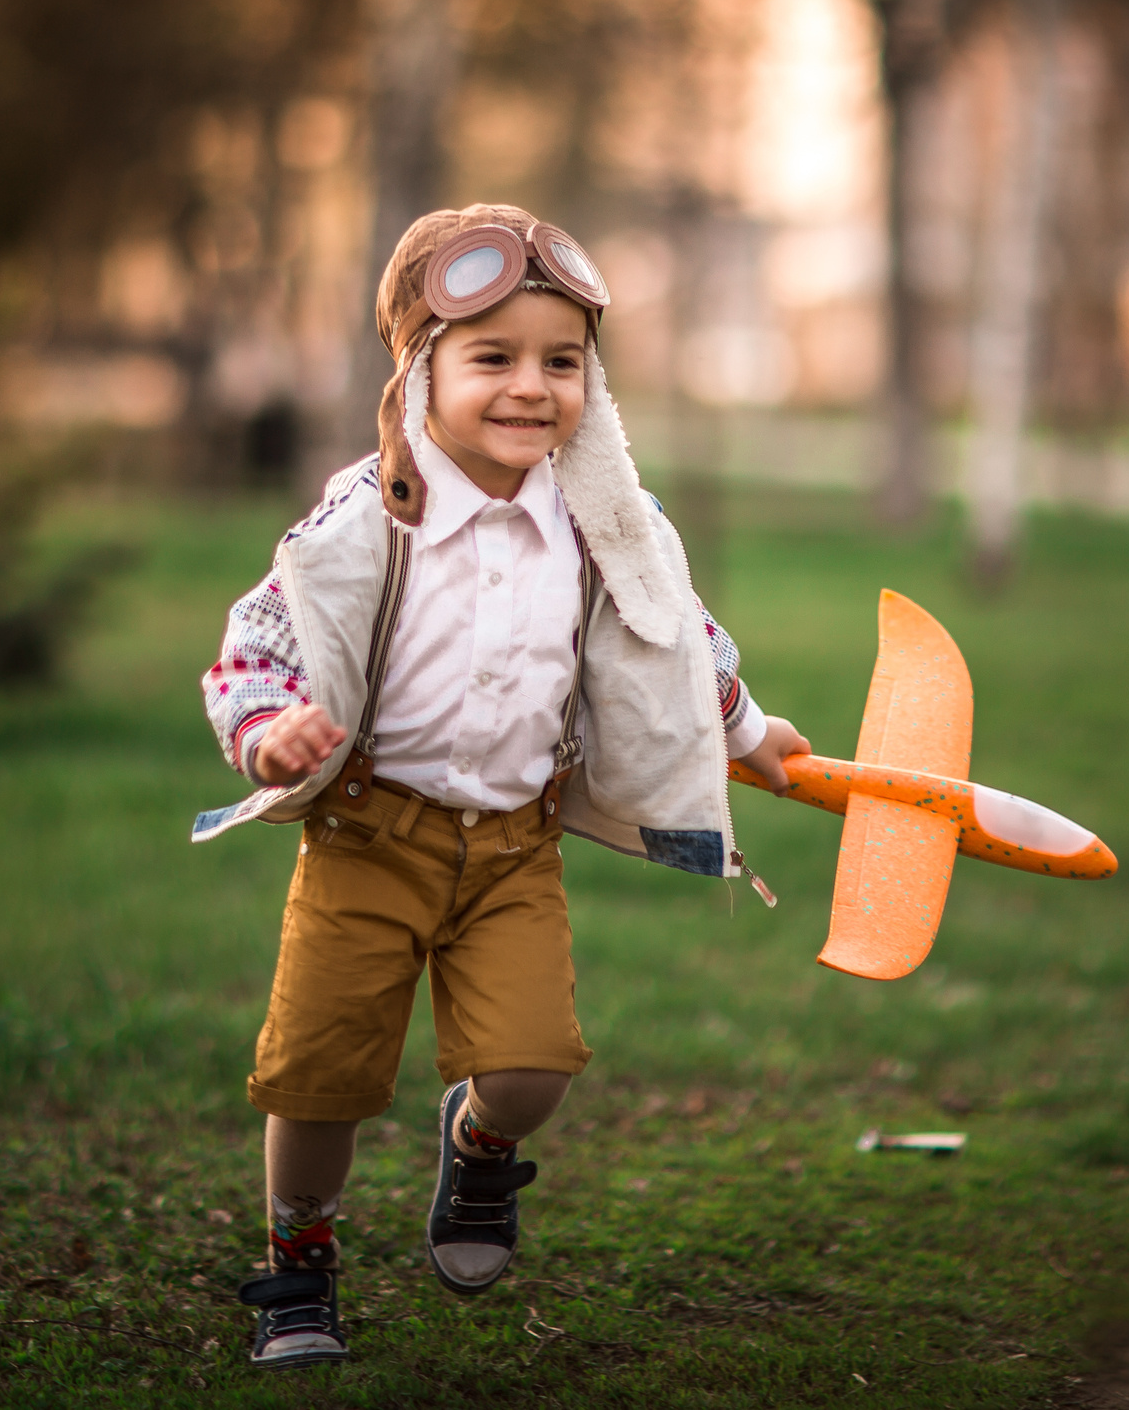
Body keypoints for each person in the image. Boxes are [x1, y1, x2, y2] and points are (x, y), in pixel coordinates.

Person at [197, 203, 808, 1369]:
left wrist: (750, 731)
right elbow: (258, 640)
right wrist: (270, 728)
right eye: (494, 358)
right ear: (422, 367)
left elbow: (669, 636)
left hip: (513, 851)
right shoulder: (372, 512)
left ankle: (478, 1148)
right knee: (319, 1080)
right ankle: (299, 1260)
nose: (533, 388)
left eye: (562, 363)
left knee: (531, 1069)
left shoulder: (598, 520)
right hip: (370, 838)